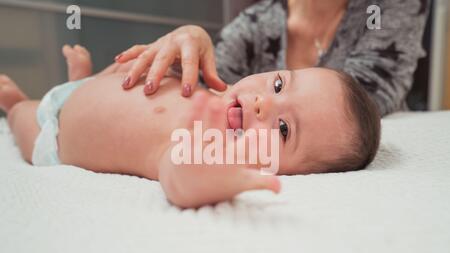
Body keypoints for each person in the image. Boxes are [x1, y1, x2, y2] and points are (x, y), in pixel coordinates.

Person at [0, 45, 380, 208]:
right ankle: (82, 78)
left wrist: (210, 176)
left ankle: (15, 103)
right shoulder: (213, 85)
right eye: (279, 85)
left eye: (283, 130)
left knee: (23, 120)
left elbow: (180, 180)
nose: (265, 102)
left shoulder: (202, 149)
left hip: (59, 137)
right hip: (92, 88)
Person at [116, 0, 430, 116]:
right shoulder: (256, 24)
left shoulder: (391, 7)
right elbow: (203, 96)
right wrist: (184, 57)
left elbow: (359, 108)